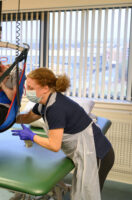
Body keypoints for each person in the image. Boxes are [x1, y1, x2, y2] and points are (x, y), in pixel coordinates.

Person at [12, 68, 114, 200]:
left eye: (30, 87)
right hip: (85, 151)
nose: (27, 91)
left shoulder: (56, 108)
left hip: (98, 154)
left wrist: (32, 136)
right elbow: (27, 118)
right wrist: (8, 118)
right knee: (79, 194)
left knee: (87, 196)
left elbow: (54, 146)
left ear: (45, 88)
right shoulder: (43, 103)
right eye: (26, 86)